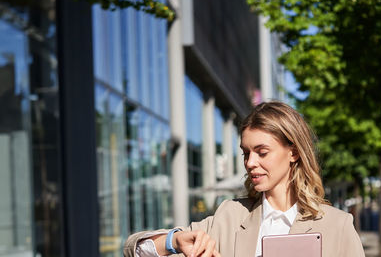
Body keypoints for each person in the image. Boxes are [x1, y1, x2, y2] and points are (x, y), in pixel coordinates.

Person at [123, 102, 365, 257]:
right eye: (246, 153)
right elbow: (134, 249)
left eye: (262, 152)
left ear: (293, 152)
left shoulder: (337, 226)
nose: (250, 163)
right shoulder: (230, 215)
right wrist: (173, 240)